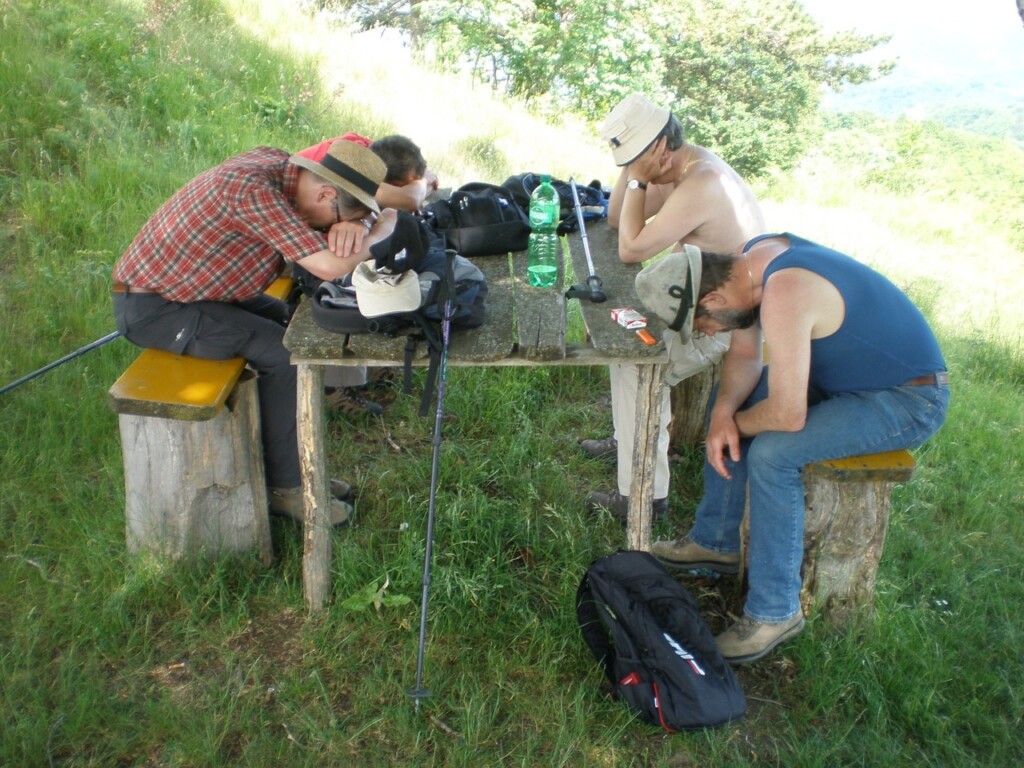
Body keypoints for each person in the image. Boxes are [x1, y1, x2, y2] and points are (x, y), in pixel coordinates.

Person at [635, 234, 949, 663]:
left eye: (703, 323)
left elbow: (787, 415)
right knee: (732, 403)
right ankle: (717, 541)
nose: (708, 332)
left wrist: (731, 429)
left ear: (712, 296)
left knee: (773, 455)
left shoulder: (785, 290)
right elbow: (745, 357)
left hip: (905, 399)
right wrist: (725, 415)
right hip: (843, 379)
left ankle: (774, 612)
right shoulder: (754, 262)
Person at [112, 139, 399, 527]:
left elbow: (334, 238)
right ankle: (286, 488)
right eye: (332, 217)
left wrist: (358, 221)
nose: (329, 227)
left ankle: (295, 466)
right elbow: (331, 267)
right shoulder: (250, 190)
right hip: (156, 308)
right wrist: (383, 228)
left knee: (293, 322)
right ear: (325, 191)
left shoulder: (280, 167)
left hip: (200, 295)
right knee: (284, 355)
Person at [583, 93, 765, 520]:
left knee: (635, 361)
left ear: (662, 148)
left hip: (723, 325)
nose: (630, 169)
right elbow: (616, 218)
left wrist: (641, 181)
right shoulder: (683, 167)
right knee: (619, 335)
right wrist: (635, 173)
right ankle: (627, 440)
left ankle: (645, 496)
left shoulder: (702, 182)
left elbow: (630, 248)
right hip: (695, 305)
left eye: (636, 157)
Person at [292, 133, 441, 414]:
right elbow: (407, 200)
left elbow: (386, 204)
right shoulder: (353, 169)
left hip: (316, 222)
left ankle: (363, 367)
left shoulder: (371, 158)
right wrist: (421, 184)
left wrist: (362, 219)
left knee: (363, 249)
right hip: (294, 241)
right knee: (351, 262)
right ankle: (335, 387)